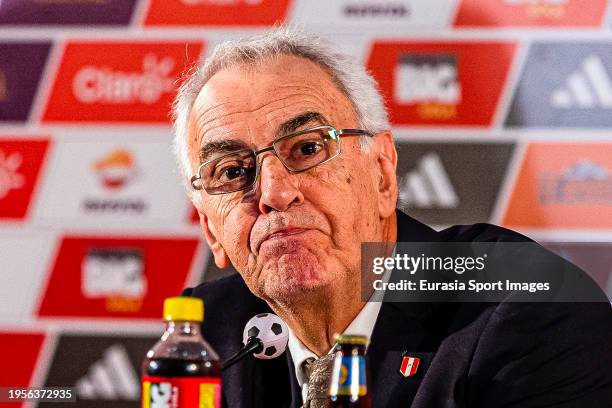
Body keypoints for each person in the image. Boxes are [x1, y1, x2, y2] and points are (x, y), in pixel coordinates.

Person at [175, 28, 612, 407]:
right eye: (232, 172)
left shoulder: (529, 304)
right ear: (211, 228)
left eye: (308, 148)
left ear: (383, 173)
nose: (274, 193)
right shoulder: (209, 338)